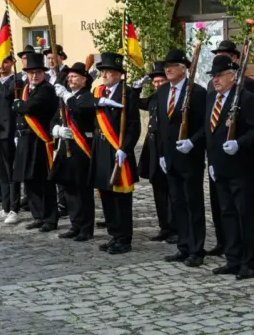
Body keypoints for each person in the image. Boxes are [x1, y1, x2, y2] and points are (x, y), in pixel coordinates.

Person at [151, 48, 208, 264]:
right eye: (166, 67)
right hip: (171, 157)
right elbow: (163, 126)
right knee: (177, 203)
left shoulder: (198, 92)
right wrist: (163, 154)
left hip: (190, 156)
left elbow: (204, 126)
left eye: (172, 66)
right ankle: (183, 245)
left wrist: (192, 142)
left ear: (184, 69)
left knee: (193, 203)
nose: (168, 69)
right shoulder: (163, 91)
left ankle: (196, 249)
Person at [206, 56, 254, 278]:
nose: (215, 80)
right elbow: (210, 133)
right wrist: (210, 161)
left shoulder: (245, 98)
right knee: (226, 214)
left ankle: (248, 263)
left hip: (240, 167)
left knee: (243, 215)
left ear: (232, 76)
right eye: (213, 76)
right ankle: (232, 258)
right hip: (219, 167)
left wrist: (239, 143)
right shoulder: (211, 99)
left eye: (219, 76)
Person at [83, 52, 140, 253]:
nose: (104, 74)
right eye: (103, 71)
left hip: (117, 150)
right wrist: (99, 102)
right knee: (106, 194)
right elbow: (82, 103)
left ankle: (124, 238)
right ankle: (114, 234)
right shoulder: (98, 92)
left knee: (121, 198)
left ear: (118, 74)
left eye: (108, 71)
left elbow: (134, 126)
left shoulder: (128, 93)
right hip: (101, 150)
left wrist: (125, 149)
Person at [15, 50, 61, 230]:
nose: (34, 76)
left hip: (40, 140)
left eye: (38, 73)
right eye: (31, 73)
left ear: (44, 74)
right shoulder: (26, 89)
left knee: (44, 181)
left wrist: (19, 105)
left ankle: (50, 218)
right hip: (26, 140)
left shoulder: (47, 90)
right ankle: (38, 215)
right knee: (29, 180)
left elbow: (28, 107)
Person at [51, 62, 97, 240]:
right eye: (69, 76)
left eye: (75, 76)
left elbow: (79, 111)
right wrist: (56, 130)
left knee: (82, 189)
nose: (70, 78)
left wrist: (67, 96)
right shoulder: (64, 98)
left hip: (81, 146)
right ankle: (75, 224)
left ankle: (86, 227)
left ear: (84, 80)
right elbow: (54, 119)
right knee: (68, 187)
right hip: (65, 145)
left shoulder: (86, 96)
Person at [138, 62, 174, 241]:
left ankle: (175, 227)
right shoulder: (153, 97)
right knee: (158, 189)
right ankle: (164, 227)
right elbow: (135, 102)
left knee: (171, 190)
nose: (158, 84)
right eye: (155, 82)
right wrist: (137, 87)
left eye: (161, 80)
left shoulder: (171, 97)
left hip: (167, 148)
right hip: (152, 149)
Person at [0, 52, 22, 223]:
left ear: (12, 63)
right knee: (1, 172)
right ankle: (4, 207)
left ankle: (14, 209)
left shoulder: (16, 81)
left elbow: (8, 95)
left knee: (11, 172)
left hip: (8, 132)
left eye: (6, 62)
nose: (2, 66)